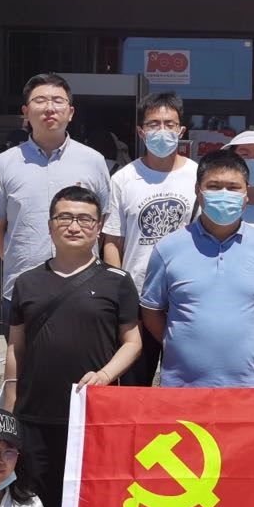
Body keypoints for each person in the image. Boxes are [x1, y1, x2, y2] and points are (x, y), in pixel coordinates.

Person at [2, 185, 141, 507]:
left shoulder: (117, 281)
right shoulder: (28, 282)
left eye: (84, 219)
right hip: (36, 413)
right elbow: (16, 346)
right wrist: (10, 404)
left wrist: (106, 375)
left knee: (91, 501)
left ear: (99, 227)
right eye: (64, 217)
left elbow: (133, 342)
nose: (74, 226)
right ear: (50, 225)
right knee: (37, 501)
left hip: (92, 414)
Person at [141, 149, 254, 388]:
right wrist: (177, 345)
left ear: (246, 194)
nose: (224, 194)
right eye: (214, 186)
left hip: (248, 386)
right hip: (181, 387)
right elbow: (151, 310)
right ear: (197, 191)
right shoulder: (168, 248)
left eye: (233, 188)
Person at [0, 74, 111, 331]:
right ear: (25, 112)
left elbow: (103, 221)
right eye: (40, 100)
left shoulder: (93, 161)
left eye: (58, 101)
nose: (50, 108)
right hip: (23, 286)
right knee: (22, 355)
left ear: (70, 112)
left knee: (85, 355)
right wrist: (19, 258)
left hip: (84, 285)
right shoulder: (3, 163)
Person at [102, 91, 198, 384]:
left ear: (181, 130)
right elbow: (112, 242)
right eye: (154, 124)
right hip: (138, 297)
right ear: (141, 131)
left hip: (185, 297)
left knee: (185, 383)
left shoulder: (198, 176)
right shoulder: (123, 178)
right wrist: (120, 292)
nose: (162, 130)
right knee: (134, 384)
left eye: (170, 124)